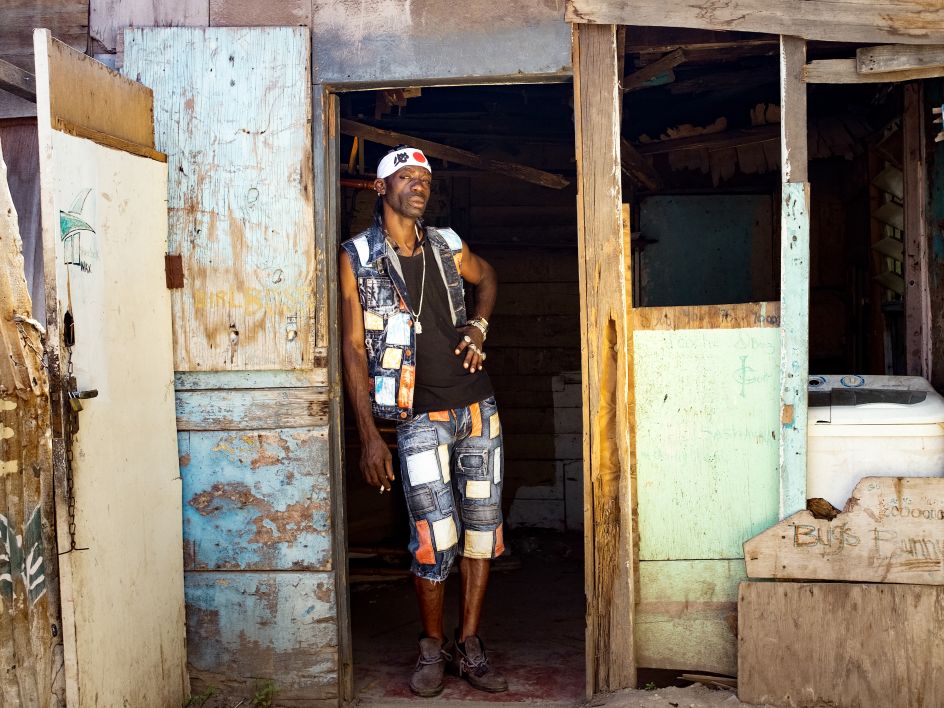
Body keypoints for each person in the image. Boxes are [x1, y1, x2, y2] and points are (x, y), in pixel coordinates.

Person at [339, 145, 507, 697]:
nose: (419, 185)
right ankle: (432, 646)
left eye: (425, 179)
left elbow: (488, 279)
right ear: (380, 189)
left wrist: (479, 329)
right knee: (434, 539)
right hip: (418, 419)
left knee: (481, 532)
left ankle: (470, 644)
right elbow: (353, 348)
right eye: (406, 177)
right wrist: (368, 436)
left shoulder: (448, 245)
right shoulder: (358, 256)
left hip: (478, 409)